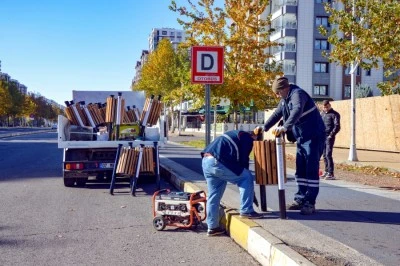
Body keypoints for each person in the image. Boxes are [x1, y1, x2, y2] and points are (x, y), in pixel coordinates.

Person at [263, 77, 325, 215]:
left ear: (285, 88)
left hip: (313, 137)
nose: (277, 96)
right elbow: (276, 114)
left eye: (278, 93)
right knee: (300, 170)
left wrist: (285, 127)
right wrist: (264, 127)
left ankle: (310, 202)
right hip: (302, 139)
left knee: (311, 170)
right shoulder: (285, 99)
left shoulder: (298, 94)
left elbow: (297, 110)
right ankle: (300, 199)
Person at [201, 127, 263, 236]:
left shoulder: (236, 134)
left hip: (206, 160)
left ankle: (212, 227)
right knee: (246, 177)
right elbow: (244, 160)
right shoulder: (247, 138)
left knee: (214, 195)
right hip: (218, 161)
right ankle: (246, 210)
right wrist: (249, 190)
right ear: (254, 136)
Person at [320, 100, 341, 180]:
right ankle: (326, 171)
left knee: (328, 154)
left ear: (330, 105)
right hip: (322, 136)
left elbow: (337, 126)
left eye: (327, 107)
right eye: (324, 107)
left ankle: (331, 173)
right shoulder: (322, 114)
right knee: (324, 154)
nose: (325, 108)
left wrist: (331, 135)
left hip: (329, 137)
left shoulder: (335, 114)